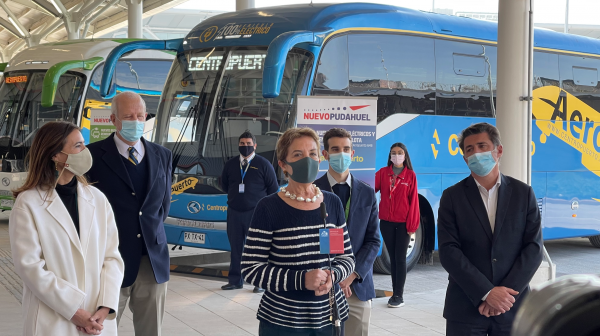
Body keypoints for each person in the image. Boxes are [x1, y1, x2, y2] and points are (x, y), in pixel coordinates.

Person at [9, 121, 124, 336]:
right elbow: (30, 267)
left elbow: (112, 257)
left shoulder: (97, 199)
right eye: (78, 146)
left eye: (84, 144)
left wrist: (106, 305)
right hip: (53, 318)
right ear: (56, 155)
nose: (85, 151)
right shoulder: (29, 203)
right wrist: (73, 310)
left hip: (97, 318)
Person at [241, 127, 356, 336]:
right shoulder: (268, 207)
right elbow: (251, 269)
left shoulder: (331, 203)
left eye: (312, 153)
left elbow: (345, 257)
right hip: (282, 322)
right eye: (298, 154)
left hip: (330, 317)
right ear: (284, 164)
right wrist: (302, 279)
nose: (308, 160)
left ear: (320, 158)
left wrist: (334, 276)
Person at [437, 122, 543, 336]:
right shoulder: (452, 197)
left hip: (512, 308)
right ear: (465, 158)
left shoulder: (523, 194)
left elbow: (533, 248)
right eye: (469, 149)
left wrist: (503, 297)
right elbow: (449, 251)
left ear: (498, 150)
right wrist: (486, 292)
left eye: (482, 146)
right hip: (465, 309)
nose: (476, 153)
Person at [86, 91, 173, 336]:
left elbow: (162, 206)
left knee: (150, 331)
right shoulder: (92, 156)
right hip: (109, 260)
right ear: (113, 119)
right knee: (100, 330)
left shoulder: (162, 155)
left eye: (140, 116)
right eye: (128, 116)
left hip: (151, 261)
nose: (135, 121)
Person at [314, 128, 380, 336]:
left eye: (346, 149)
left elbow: (373, 241)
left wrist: (349, 275)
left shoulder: (367, 193)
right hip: (322, 285)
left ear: (352, 154)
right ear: (325, 155)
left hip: (357, 286)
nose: (341, 154)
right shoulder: (314, 192)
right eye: (335, 149)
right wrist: (332, 277)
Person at [221, 130, 278, 293]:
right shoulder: (231, 164)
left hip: (256, 213)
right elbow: (224, 185)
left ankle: (259, 282)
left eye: (248, 144)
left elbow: (273, 189)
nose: (245, 147)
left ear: (255, 145)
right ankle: (235, 280)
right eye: (242, 144)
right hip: (234, 212)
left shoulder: (263, 164)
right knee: (236, 247)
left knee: (258, 248)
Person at [374, 143, 420, 308]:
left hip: (403, 225)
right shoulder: (383, 173)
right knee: (392, 259)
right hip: (386, 223)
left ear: (405, 155)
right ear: (390, 156)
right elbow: (371, 188)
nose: (396, 155)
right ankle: (394, 293)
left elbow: (414, 202)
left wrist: (412, 225)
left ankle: (398, 295)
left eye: (400, 153)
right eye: (393, 153)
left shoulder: (410, 176)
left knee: (400, 259)